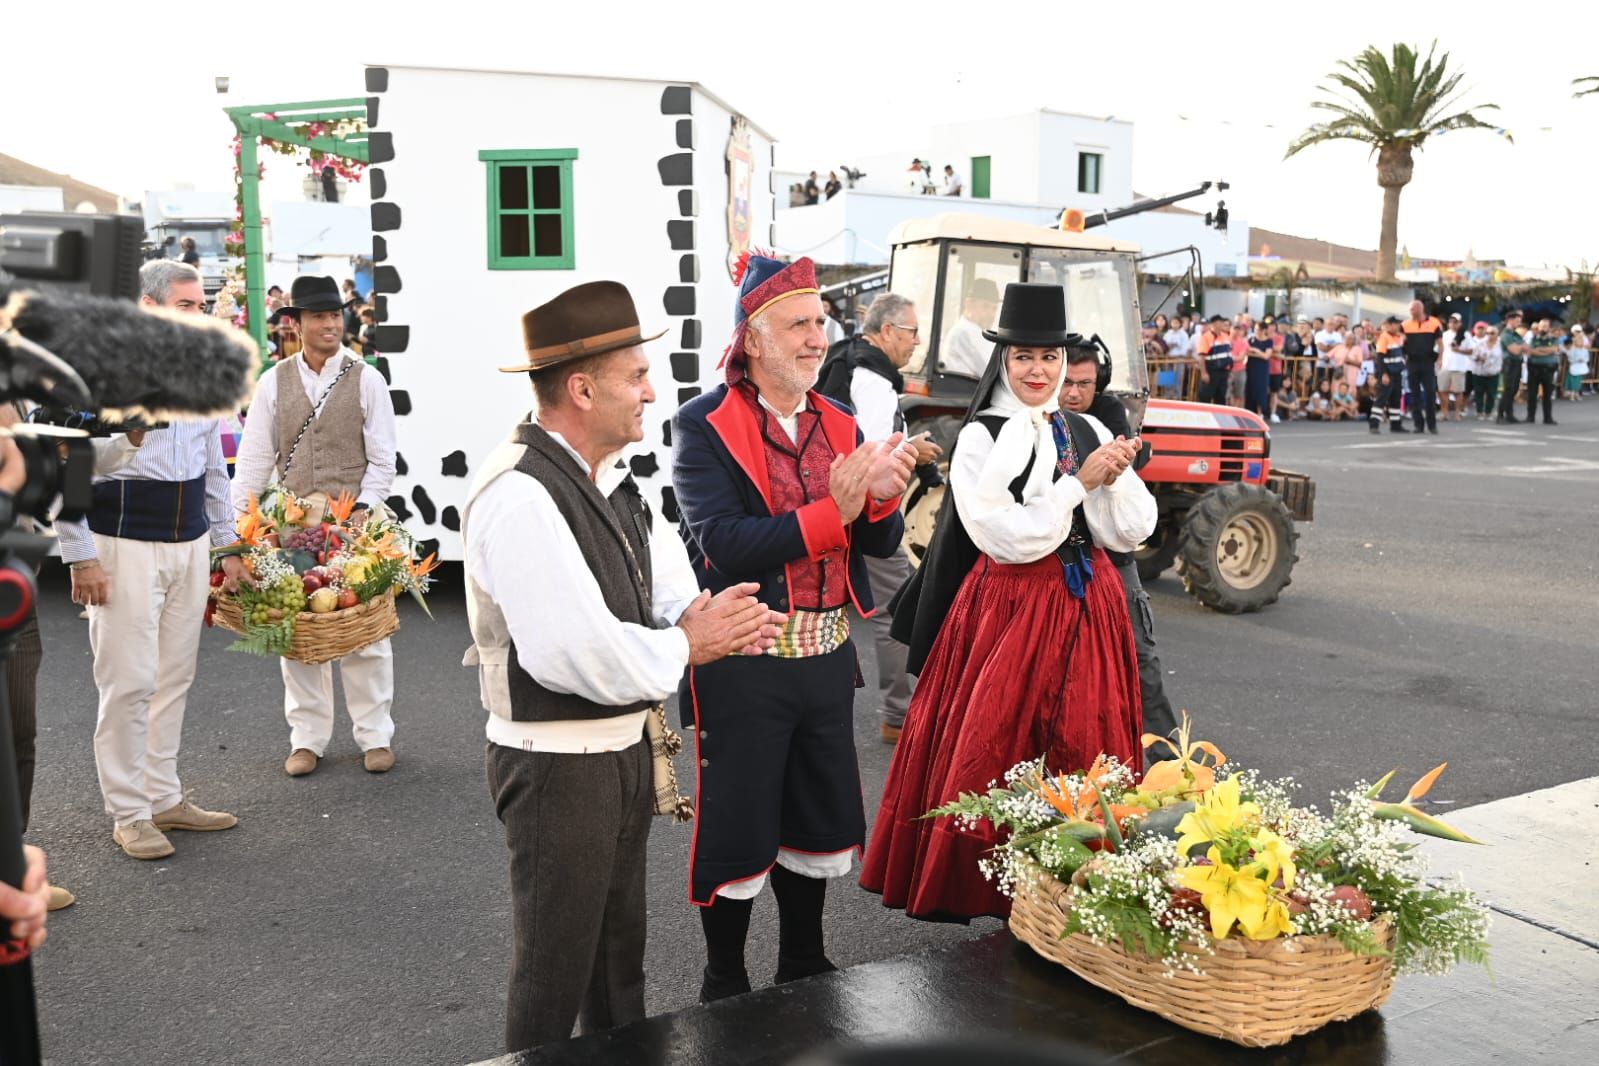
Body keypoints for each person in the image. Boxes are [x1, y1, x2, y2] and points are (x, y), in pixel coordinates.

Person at [462, 280, 782, 1049]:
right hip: (555, 769)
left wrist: (699, 616)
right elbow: (574, 654)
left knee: (616, 968)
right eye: (634, 375)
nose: (650, 391)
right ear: (580, 388)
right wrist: (690, 642)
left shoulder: (611, 479)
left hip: (617, 753)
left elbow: (666, 581)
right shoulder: (521, 495)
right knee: (552, 976)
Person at [861, 282, 1154, 922]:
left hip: (1088, 605)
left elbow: (1128, 530)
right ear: (1004, 361)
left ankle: (1076, 894)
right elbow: (1003, 536)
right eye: (1023, 357)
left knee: (1085, 742)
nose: (1037, 370)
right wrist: (1079, 483)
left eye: (1048, 358)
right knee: (999, 743)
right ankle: (998, 893)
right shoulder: (982, 438)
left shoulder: (1088, 424)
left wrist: (1117, 472)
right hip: (1012, 609)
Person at [671, 254, 914, 1000]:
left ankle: (803, 960)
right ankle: (725, 978)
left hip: (822, 658)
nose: (817, 339)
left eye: (820, 323)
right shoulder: (702, 424)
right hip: (741, 658)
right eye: (799, 325)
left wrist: (882, 502)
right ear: (752, 340)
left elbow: (872, 547)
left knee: (813, 816)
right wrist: (832, 513)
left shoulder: (840, 422)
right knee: (740, 824)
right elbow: (722, 541)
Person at [51, 261, 241, 861]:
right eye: (186, 304)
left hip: (186, 540)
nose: (200, 314)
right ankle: (128, 811)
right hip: (122, 539)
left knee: (173, 676)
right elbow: (65, 462)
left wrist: (227, 545)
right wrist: (80, 556)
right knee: (128, 681)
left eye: (200, 303)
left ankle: (164, 796)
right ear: (150, 306)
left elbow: (214, 465)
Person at [232, 275, 399, 777]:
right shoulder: (272, 381)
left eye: (335, 316)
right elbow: (254, 460)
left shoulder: (367, 378)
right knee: (300, 635)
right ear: (297, 323)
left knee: (365, 633)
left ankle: (375, 736)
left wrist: (362, 511)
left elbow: (384, 460)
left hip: (357, 520)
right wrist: (239, 531)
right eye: (318, 317)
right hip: (293, 523)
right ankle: (307, 739)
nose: (330, 324)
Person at [814, 294, 941, 743]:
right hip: (862, 512)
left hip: (838, 507)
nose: (916, 342)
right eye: (910, 332)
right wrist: (912, 450)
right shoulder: (871, 377)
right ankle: (900, 716)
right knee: (896, 606)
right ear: (886, 331)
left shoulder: (852, 363)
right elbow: (869, 450)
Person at [1055, 342, 1178, 763]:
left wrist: (1131, 454)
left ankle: (1169, 765)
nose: (1073, 393)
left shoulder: (1107, 415)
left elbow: (1130, 454)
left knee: (1140, 656)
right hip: (1049, 553)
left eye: (1084, 384)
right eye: (1066, 382)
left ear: (1098, 383)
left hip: (1109, 554)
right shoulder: (1029, 421)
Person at [942, 278, 1000, 380]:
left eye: (994, 308)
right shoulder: (964, 332)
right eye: (985, 306)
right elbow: (990, 372)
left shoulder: (976, 331)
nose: (991, 314)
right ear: (969, 304)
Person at [1401, 300, 1443, 434]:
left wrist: (1440, 358)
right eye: (1410, 310)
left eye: (1413, 309)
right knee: (1414, 395)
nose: (1411, 312)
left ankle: (1432, 425)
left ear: (1421, 309)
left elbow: (1440, 343)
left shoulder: (1434, 323)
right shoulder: (1405, 325)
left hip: (1428, 362)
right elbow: (1401, 342)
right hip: (1412, 362)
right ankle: (1418, 425)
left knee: (1430, 394)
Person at [1369, 328, 1409, 434]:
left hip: (1397, 373)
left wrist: (1404, 341)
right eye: (1395, 325)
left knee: (1395, 399)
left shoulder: (1398, 338)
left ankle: (1395, 425)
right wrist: (1384, 374)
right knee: (1381, 398)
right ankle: (1374, 425)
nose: (1398, 328)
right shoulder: (1384, 337)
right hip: (1387, 373)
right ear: (1390, 325)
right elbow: (1380, 358)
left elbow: (1403, 353)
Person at [1524, 318, 1560, 425]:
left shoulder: (1553, 339)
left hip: (1548, 369)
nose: (1542, 328)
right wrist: (1545, 351)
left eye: (1545, 326)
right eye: (1541, 326)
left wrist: (1539, 351)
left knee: (1547, 395)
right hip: (1534, 369)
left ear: (1549, 328)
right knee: (1532, 394)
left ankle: (1547, 418)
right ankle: (1530, 417)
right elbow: (1530, 351)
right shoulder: (1533, 339)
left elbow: (1553, 349)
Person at [1497, 310, 1529, 424]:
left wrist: (1519, 346)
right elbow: (1514, 350)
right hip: (1509, 363)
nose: (1518, 324)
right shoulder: (1506, 334)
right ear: (1510, 320)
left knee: (1514, 390)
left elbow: (1527, 348)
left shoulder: (1516, 335)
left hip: (1517, 363)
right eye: (1517, 321)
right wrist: (1520, 347)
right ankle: (1501, 414)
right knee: (1508, 389)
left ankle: (1509, 414)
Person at [1440, 314, 1474, 422]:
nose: (1453, 324)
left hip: (1459, 366)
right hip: (1445, 366)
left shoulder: (1466, 335)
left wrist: (1459, 350)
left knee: (1458, 391)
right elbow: (1439, 349)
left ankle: (1457, 413)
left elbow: (1471, 351)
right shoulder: (1444, 335)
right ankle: (1445, 413)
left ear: (1460, 323)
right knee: (1443, 390)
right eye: (1451, 322)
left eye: (1455, 322)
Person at [1195, 315, 1233, 405]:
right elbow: (1201, 356)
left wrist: (1229, 371)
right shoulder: (1206, 337)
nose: (1223, 324)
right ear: (1215, 324)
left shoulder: (1226, 336)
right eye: (1221, 322)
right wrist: (1204, 373)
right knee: (1205, 397)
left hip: (1223, 372)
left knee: (1221, 398)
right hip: (1211, 371)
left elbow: (1228, 354)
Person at [1471, 323, 1503, 420]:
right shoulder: (1480, 343)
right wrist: (1479, 358)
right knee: (1479, 393)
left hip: (1494, 372)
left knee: (1491, 393)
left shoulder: (1500, 344)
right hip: (1480, 372)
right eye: (1487, 333)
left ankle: (1488, 412)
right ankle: (1479, 412)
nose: (1489, 335)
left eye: (1492, 333)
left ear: (1497, 334)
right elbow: (1472, 356)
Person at [1244, 320, 1273, 419]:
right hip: (1251, 367)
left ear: (1264, 330)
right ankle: (1250, 412)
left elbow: (1266, 356)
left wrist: (1256, 351)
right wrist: (1258, 354)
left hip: (1262, 368)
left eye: (1259, 330)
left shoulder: (1269, 341)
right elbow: (1247, 352)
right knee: (1251, 389)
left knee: (1261, 389)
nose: (1257, 331)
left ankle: (1260, 412)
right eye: (1255, 329)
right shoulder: (1251, 340)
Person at [1566, 324, 1590, 400]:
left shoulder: (1584, 349)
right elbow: (1570, 356)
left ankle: (1576, 393)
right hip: (1574, 366)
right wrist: (1576, 360)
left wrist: (1583, 359)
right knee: (1573, 381)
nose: (1581, 341)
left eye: (1581, 340)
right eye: (1579, 340)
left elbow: (1586, 357)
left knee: (1579, 381)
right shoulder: (1572, 348)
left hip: (1580, 367)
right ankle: (1572, 394)